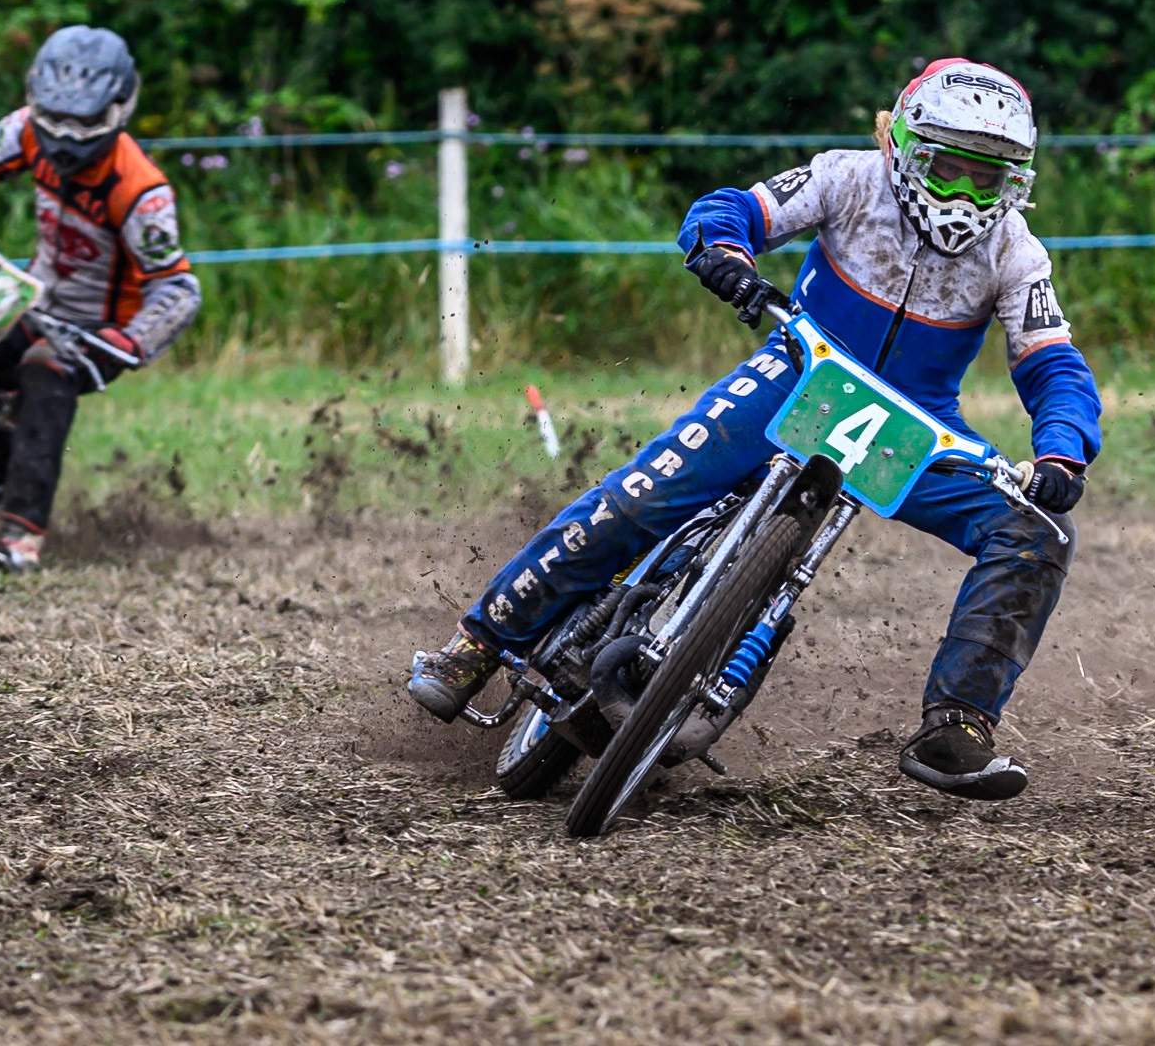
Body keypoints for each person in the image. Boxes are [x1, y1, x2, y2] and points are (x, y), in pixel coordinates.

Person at [408, 59, 1101, 800]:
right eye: (948, 169)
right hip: (795, 374)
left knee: (1038, 535)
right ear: (903, 146)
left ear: (1015, 185)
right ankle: (477, 644)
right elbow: (737, 208)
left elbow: (1054, 365)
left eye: (986, 179)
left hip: (912, 425)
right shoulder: (845, 179)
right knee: (641, 498)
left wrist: (1062, 450)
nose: (963, 195)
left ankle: (957, 725)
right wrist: (725, 253)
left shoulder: (1016, 253)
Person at [0, 25, 201, 573]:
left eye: (84, 124)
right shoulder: (27, 130)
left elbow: (177, 288)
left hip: (95, 330)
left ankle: (19, 539)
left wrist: (130, 340)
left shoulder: (142, 191)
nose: (64, 137)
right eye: (53, 119)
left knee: (45, 373)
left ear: (119, 108)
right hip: (34, 295)